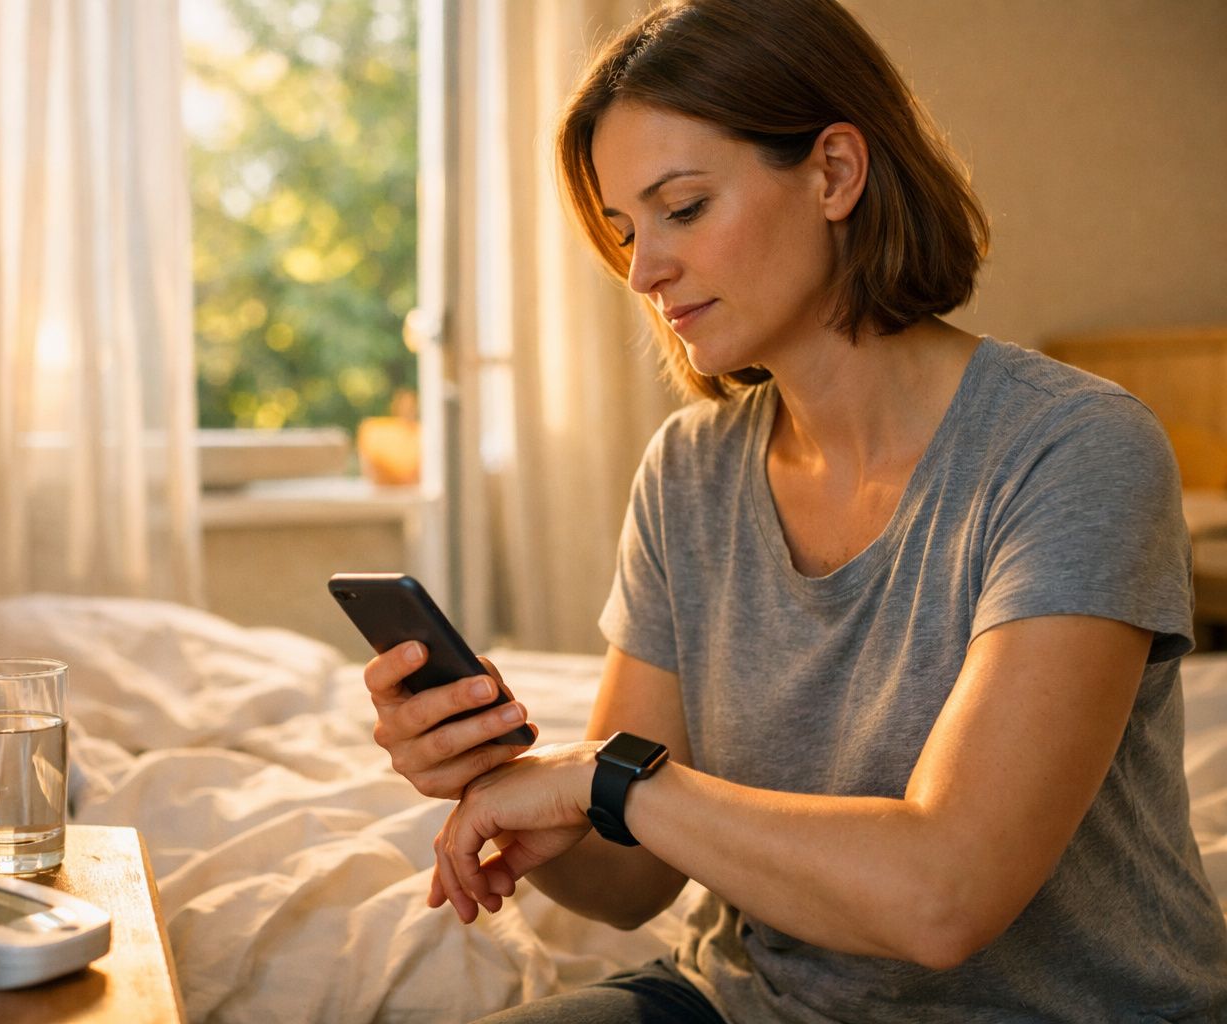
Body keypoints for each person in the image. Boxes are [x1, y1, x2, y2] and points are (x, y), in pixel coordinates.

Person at [361, 0, 1227, 1020]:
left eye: (682, 208)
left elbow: (944, 895)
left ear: (834, 174)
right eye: (625, 230)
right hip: (741, 1000)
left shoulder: (1074, 449)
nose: (643, 271)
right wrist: (504, 780)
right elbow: (632, 880)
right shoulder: (689, 471)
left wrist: (607, 779)